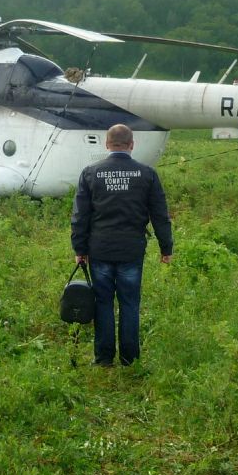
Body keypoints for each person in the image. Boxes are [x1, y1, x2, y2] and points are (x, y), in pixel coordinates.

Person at [71, 124, 173, 367]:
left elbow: (80, 216)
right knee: (129, 303)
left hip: (100, 249)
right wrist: (166, 248)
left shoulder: (90, 173)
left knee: (103, 303)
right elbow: (160, 215)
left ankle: (104, 359)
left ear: (107, 144)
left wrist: (79, 249)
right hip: (131, 250)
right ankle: (130, 359)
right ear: (132, 145)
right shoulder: (147, 174)